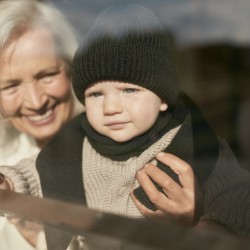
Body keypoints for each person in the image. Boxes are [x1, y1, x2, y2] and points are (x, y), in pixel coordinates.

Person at [0, 3, 250, 249]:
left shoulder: (194, 141)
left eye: (129, 90)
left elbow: (236, 195)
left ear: (163, 98)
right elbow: (39, 171)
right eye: (96, 95)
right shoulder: (75, 142)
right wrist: (9, 182)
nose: (111, 107)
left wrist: (206, 227)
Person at [0, 0, 82, 249]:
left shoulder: (116, 145)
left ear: (71, 69)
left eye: (47, 75)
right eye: (11, 86)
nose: (36, 102)